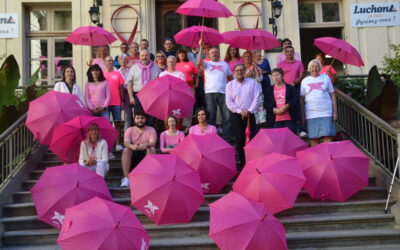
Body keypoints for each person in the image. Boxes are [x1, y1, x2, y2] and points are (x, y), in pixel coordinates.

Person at [197, 42, 233, 141]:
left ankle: (226, 139)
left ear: (219, 54)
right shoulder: (207, 64)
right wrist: (200, 47)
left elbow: (231, 78)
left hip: (224, 93)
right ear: (209, 54)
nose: (215, 54)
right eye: (212, 52)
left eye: (216, 52)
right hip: (210, 92)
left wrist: (233, 91)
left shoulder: (224, 64)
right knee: (211, 117)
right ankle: (212, 138)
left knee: (226, 117)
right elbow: (199, 61)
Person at [226, 64, 259, 166]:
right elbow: (229, 102)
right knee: (239, 139)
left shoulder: (252, 83)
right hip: (237, 115)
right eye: (237, 70)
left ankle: (252, 163)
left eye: (241, 70)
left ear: (245, 71)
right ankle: (243, 163)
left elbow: (257, 98)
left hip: (250, 115)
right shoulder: (230, 85)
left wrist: (249, 110)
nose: (239, 72)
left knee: (252, 139)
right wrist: (240, 111)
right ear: (234, 72)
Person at [300, 59, 337, 146]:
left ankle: (328, 158)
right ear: (309, 68)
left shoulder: (326, 78)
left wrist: (335, 111)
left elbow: (333, 95)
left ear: (320, 68)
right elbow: (301, 99)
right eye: (312, 66)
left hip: (326, 113)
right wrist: (302, 115)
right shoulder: (304, 81)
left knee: (327, 138)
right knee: (314, 138)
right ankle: (318, 159)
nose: (314, 68)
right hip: (311, 114)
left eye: (317, 66)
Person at [120, 111, 157, 187]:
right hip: (133, 154)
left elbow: (153, 142)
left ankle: (147, 177)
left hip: (145, 154)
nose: (140, 120)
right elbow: (126, 143)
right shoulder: (130, 130)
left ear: (145, 119)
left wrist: (147, 144)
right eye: (137, 118)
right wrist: (132, 146)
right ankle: (126, 178)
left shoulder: (151, 129)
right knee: (126, 150)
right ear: (134, 120)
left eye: (142, 118)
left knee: (152, 149)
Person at [126, 49, 161, 124]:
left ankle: (149, 134)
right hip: (138, 95)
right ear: (139, 56)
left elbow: (160, 83)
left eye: (146, 55)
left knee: (150, 118)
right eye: (142, 55)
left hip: (152, 96)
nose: (144, 57)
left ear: (149, 56)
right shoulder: (134, 68)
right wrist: (131, 97)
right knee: (138, 118)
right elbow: (129, 83)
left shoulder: (156, 68)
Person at [277, 46, 306, 136]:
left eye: (291, 51)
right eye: (288, 51)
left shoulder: (299, 63)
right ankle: (289, 129)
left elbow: (301, 75)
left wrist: (295, 82)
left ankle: (301, 129)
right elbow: (279, 75)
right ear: (285, 53)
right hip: (284, 88)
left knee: (297, 108)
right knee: (286, 108)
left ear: (294, 53)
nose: (289, 53)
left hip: (295, 87)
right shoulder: (281, 64)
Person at [264, 68, 297, 133]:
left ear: (282, 76)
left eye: (277, 75)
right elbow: (266, 104)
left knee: (291, 138)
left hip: (289, 118)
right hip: (275, 120)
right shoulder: (269, 90)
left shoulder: (290, 88)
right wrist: (274, 110)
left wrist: (287, 106)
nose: (275, 77)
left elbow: (295, 99)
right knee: (277, 140)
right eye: (273, 75)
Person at [243, 51, 267, 128]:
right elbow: (236, 80)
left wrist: (256, 69)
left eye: (249, 56)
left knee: (260, 116)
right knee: (250, 114)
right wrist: (246, 75)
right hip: (246, 95)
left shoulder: (256, 67)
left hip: (257, 93)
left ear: (252, 57)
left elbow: (259, 79)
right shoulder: (241, 68)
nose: (247, 58)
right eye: (246, 56)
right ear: (243, 58)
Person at [103, 56, 124, 123]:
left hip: (116, 102)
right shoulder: (101, 74)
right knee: (106, 122)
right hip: (104, 103)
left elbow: (121, 89)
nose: (111, 62)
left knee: (117, 122)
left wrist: (122, 101)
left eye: (112, 60)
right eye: (109, 61)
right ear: (104, 63)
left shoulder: (118, 74)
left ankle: (118, 134)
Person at [117, 54, 134, 129]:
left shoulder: (131, 70)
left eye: (125, 59)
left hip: (129, 93)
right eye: (121, 59)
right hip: (119, 94)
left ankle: (127, 135)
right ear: (119, 61)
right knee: (117, 117)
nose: (123, 61)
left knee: (128, 116)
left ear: (127, 61)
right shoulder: (116, 72)